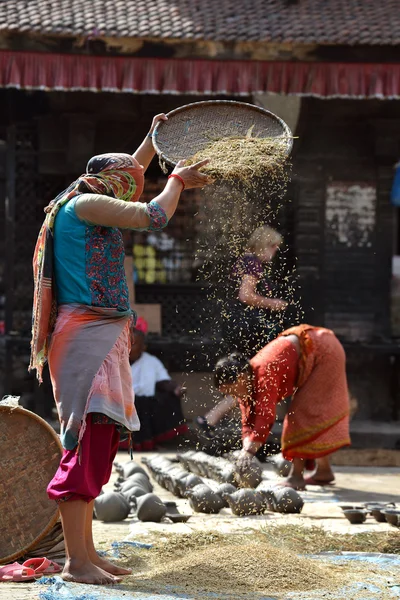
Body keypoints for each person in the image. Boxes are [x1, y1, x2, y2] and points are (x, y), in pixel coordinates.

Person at [29, 112, 211, 586]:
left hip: (102, 333)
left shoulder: (88, 194)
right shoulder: (85, 205)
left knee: (102, 441)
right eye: (127, 184)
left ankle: (87, 553)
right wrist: (175, 180)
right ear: (111, 185)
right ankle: (76, 561)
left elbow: (129, 171)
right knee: (85, 442)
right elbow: (153, 214)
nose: (134, 187)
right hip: (84, 336)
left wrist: (153, 139)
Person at [213, 324, 351, 490]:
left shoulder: (264, 373)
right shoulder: (247, 383)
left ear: (241, 377)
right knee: (308, 413)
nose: (234, 396)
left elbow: (265, 417)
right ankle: (323, 471)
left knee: (301, 416)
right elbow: (248, 420)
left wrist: (249, 452)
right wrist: (245, 447)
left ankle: (296, 477)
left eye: (232, 390)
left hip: (324, 351)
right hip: (316, 350)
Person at [222, 225, 288, 357]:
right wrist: (272, 303)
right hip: (247, 325)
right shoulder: (252, 263)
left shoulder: (245, 260)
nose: (276, 249)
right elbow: (245, 295)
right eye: (273, 245)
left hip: (237, 323)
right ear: (264, 244)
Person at [129, 323, 188, 450]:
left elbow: (163, 381)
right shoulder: (115, 361)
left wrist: (176, 389)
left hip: (145, 403)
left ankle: (161, 441)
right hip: (122, 403)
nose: (128, 347)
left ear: (143, 347)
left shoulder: (151, 361)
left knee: (168, 399)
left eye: (133, 344)